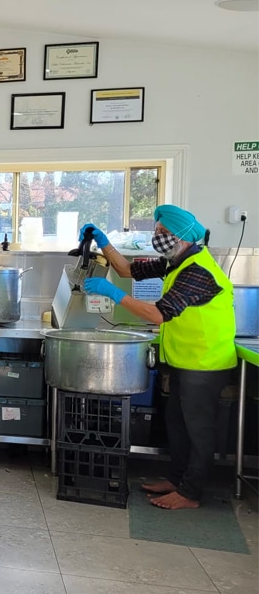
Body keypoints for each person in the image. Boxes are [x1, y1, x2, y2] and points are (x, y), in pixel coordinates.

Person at [82, 204, 237, 511]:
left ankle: (190, 493)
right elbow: (127, 270)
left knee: (198, 429)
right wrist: (103, 242)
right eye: (156, 232)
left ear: (181, 236)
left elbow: (157, 313)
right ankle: (177, 479)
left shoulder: (198, 272)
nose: (158, 237)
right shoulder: (175, 261)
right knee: (177, 425)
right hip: (184, 360)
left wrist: (112, 293)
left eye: (163, 233)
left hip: (204, 363)